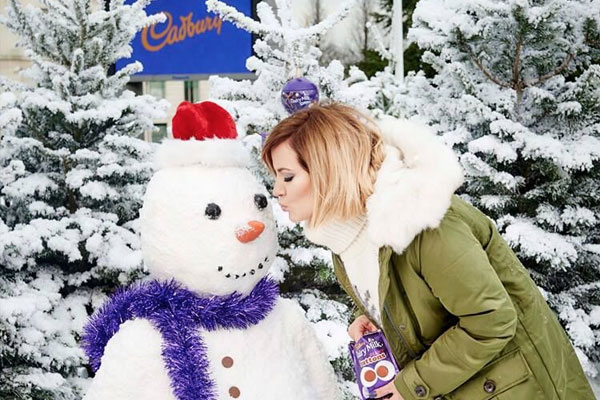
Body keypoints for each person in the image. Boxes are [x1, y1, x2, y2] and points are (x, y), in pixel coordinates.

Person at [260, 102, 595, 400]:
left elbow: (492, 320)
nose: (277, 191)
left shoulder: (423, 221)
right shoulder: (346, 237)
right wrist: (371, 316)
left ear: (328, 171)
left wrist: (412, 385)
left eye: (287, 177)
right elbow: (406, 296)